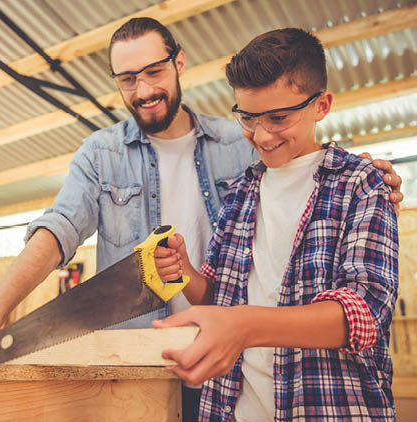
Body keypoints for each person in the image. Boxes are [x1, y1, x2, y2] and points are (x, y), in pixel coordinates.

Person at [0, 18, 401, 421]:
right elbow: (59, 228)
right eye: (128, 78)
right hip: (150, 362)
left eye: (153, 71)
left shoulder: (243, 147)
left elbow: (306, 162)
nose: (143, 89)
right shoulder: (106, 155)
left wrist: (367, 176)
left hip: (263, 376)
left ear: (179, 63)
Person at [153, 28, 399, 421]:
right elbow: (220, 297)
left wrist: (245, 326)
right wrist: (186, 274)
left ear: (321, 105)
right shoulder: (240, 193)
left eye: (279, 117)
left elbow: (365, 313)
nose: (262, 135)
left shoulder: (361, 182)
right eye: (247, 118)